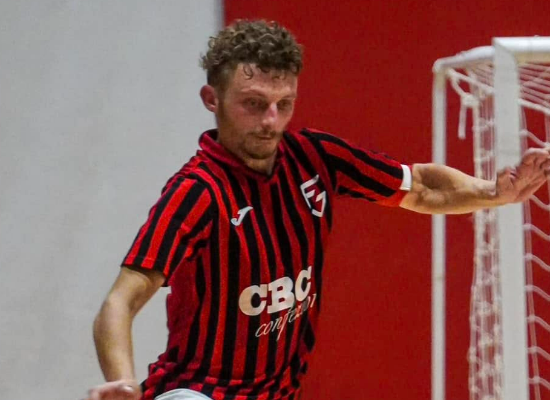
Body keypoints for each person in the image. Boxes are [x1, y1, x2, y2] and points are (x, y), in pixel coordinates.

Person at [86, 20, 550, 400]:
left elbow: (422, 186)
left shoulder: (315, 158)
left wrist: (495, 192)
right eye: (253, 105)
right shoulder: (197, 192)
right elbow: (119, 302)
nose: (270, 122)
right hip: (197, 392)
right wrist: (123, 383)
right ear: (213, 100)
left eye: (283, 104)